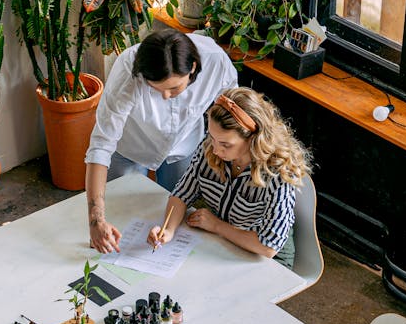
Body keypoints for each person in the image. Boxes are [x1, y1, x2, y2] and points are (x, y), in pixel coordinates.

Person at [85, 29, 237, 253]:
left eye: (174, 88)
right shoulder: (127, 71)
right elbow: (101, 145)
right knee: (121, 219)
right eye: (157, 89)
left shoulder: (216, 62)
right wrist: (95, 221)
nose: (166, 95)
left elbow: (232, 112)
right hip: (130, 148)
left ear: (193, 67)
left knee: (170, 221)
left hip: (183, 148)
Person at [147, 87, 310, 267]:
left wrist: (217, 226)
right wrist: (168, 230)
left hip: (266, 257)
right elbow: (182, 194)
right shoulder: (210, 148)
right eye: (212, 137)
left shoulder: (278, 173)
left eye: (225, 144)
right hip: (227, 242)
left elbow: (268, 247)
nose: (215, 150)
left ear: (253, 138)